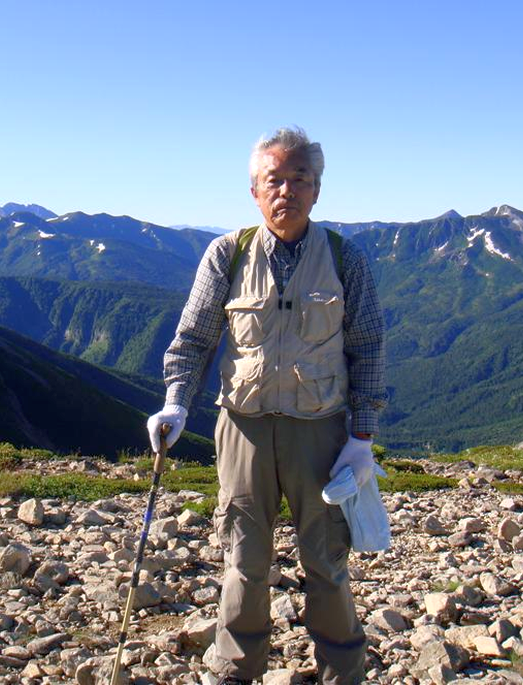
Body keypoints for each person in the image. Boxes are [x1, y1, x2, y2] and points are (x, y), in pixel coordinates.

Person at [146, 126, 387, 685]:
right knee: (244, 563)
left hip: (321, 431)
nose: (287, 191)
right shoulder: (226, 254)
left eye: (299, 179)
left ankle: (342, 674)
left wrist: (362, 436)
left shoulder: (345, 259)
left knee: (326, 561)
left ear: (317, 190)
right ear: (254, 191)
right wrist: (176, 403)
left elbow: (367, 345)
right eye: (273, 180)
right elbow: (195, 339)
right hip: (243, 430)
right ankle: (235, 673)